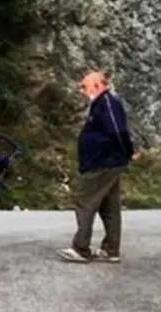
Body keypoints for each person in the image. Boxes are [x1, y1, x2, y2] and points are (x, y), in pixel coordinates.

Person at [57, 71, 139, 263]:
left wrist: (127, 153)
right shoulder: (100, 104)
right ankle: (111, 249)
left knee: (85, 202)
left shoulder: (107, 102)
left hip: (103, 162)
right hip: (107, 161)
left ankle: (81, 248)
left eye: (84, 86)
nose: (81, 90)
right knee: (109, 206)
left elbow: (118, 131)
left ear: (97, 86)